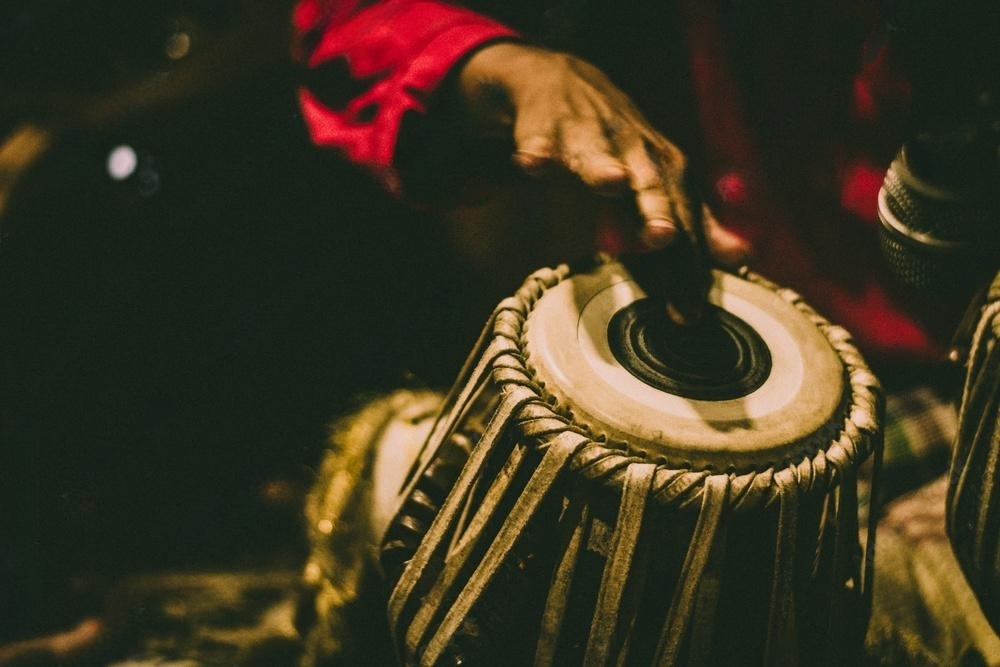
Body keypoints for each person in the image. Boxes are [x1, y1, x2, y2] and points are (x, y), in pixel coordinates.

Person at [290, 0, 1000, 665]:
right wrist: (493, 65)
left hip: (947, 414)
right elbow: (353, 22)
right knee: (404, 479)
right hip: (678, 393)